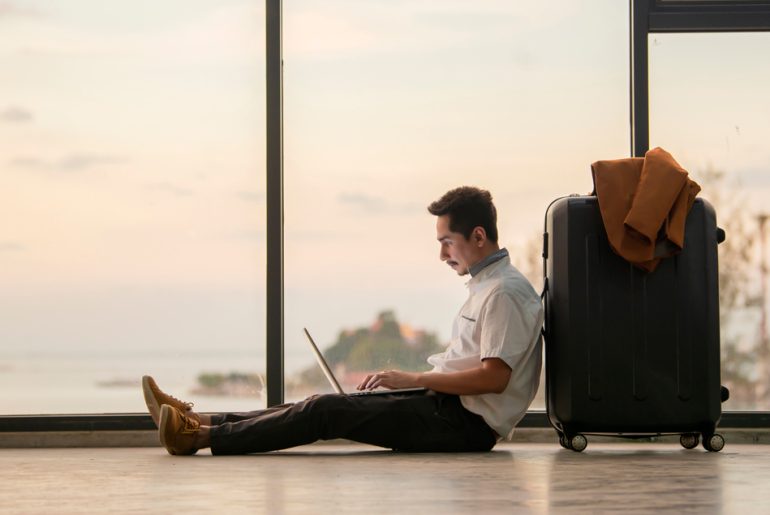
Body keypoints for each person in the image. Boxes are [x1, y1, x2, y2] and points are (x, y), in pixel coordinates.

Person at [143, 186, 544, 455]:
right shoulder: (488, 286)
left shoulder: (504, 292)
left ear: (478, 236)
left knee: (326, 411)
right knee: (320, 403)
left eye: (447, 243)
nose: (442, 256)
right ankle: (200, 421)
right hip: (446, 407)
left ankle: (198, 437)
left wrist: (414, 379)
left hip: (463, 425)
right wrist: (410, 383)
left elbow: (494, 378)